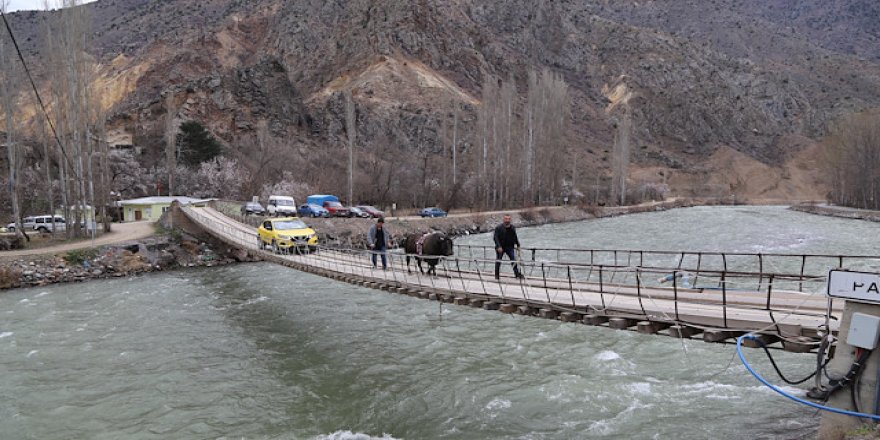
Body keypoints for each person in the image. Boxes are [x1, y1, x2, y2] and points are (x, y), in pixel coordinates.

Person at [493, 214, 523, 280]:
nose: (507, 220)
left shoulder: (512, 228)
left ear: (510, 220)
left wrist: (518, 245)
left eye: (509, 219)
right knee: (498, 261)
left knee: (513, 260)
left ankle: (517, 274)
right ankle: (496, 275)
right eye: (506, 219)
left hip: (509, 247)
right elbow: (495, 238)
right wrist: (498, 246)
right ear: (503, 220)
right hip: (500, 247)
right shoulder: (498, 228)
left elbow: (515, 237)